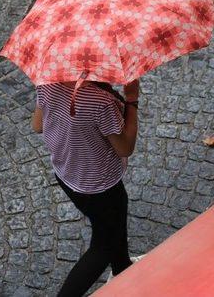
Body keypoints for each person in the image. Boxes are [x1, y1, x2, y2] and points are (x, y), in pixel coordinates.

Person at [31, 78, 140, 296]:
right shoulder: (102, 102)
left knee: (110, 226)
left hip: (67, 175)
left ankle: (122, 269)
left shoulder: (47, 81)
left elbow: (37, 125)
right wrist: (131, 101)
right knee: (102, 247)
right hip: (101, 187)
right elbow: (125, 147)